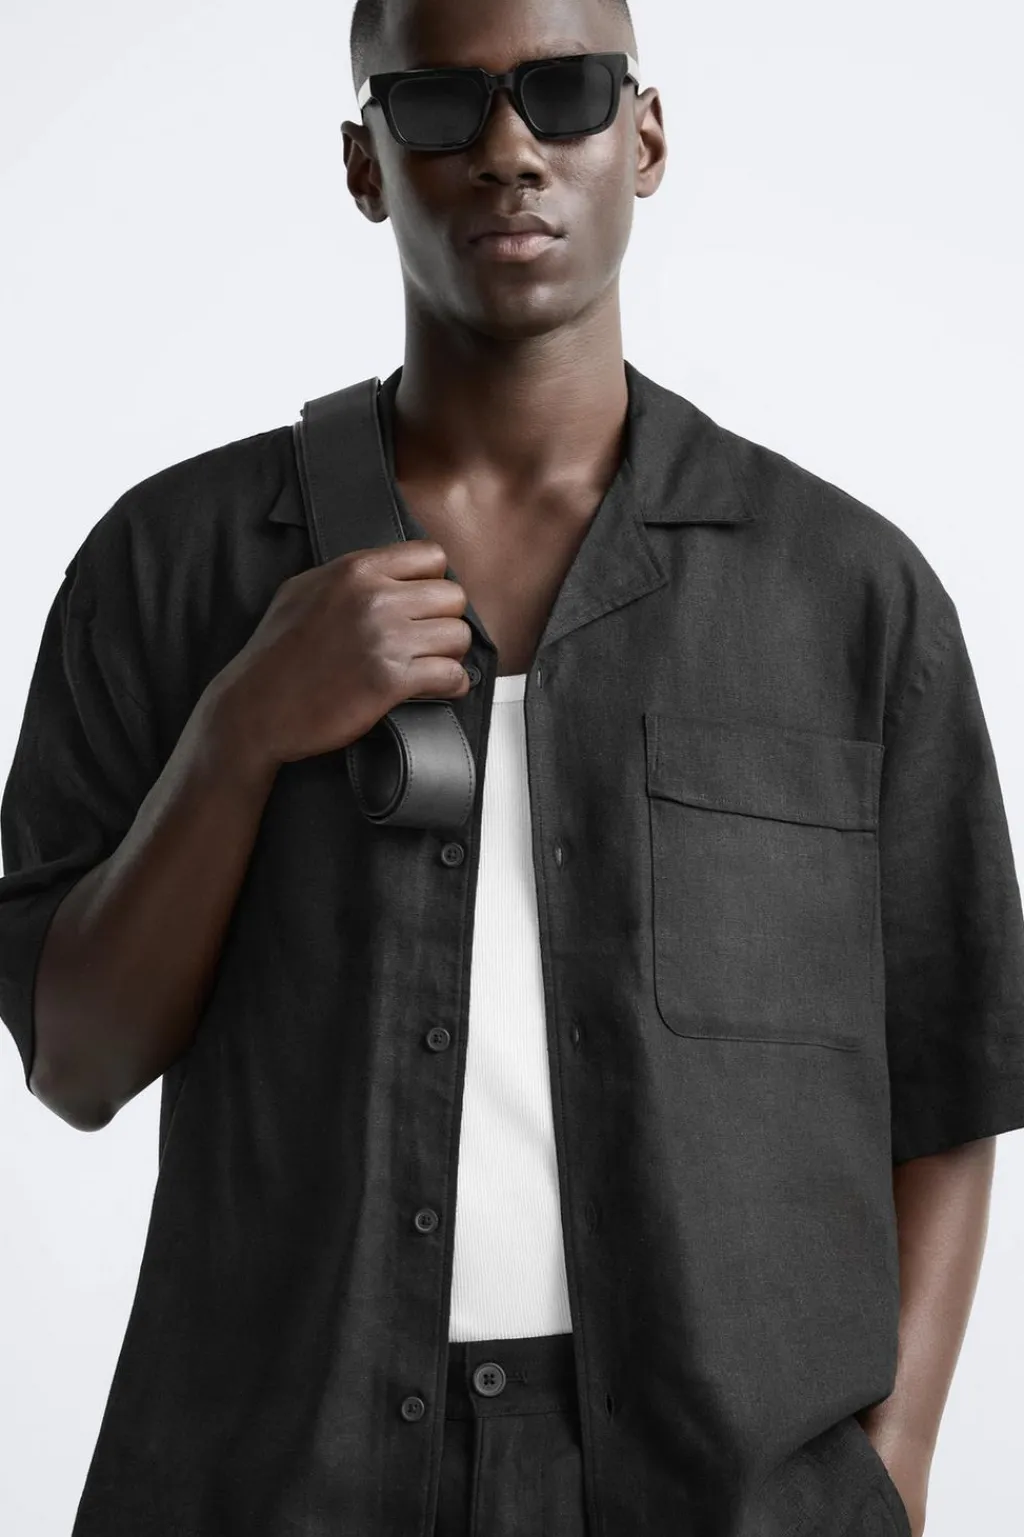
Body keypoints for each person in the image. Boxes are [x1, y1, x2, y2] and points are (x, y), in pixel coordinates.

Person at [2, 1, 1023, 1534]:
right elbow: (75, 1063)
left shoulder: (845, 594)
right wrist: (240, 731)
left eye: (565, 92)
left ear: (646, 137)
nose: (507, 151)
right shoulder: (172, 567)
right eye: (437, 104)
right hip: (278, 1486)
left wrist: (901, 1459)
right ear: (364, 164)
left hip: (728, 1496)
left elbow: (952, 1069)